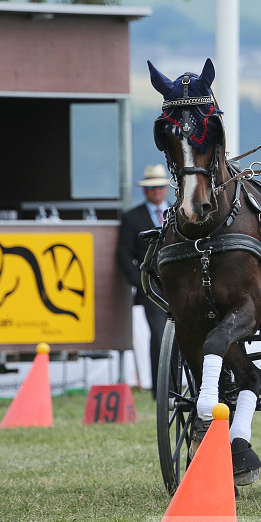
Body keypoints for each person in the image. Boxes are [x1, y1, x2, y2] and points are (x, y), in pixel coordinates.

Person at [116, 164, 172, 399]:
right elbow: (123, 254)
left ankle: (179, 387)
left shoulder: (179, 212)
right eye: (151, 187)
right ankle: (161, 391)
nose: (156, 191)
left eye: (159, 186)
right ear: (145, 190)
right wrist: (141, 282)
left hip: (181, 287)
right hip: (152, 289)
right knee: (159, 336)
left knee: (182, 338)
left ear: (165, 189)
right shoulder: (132, 217)